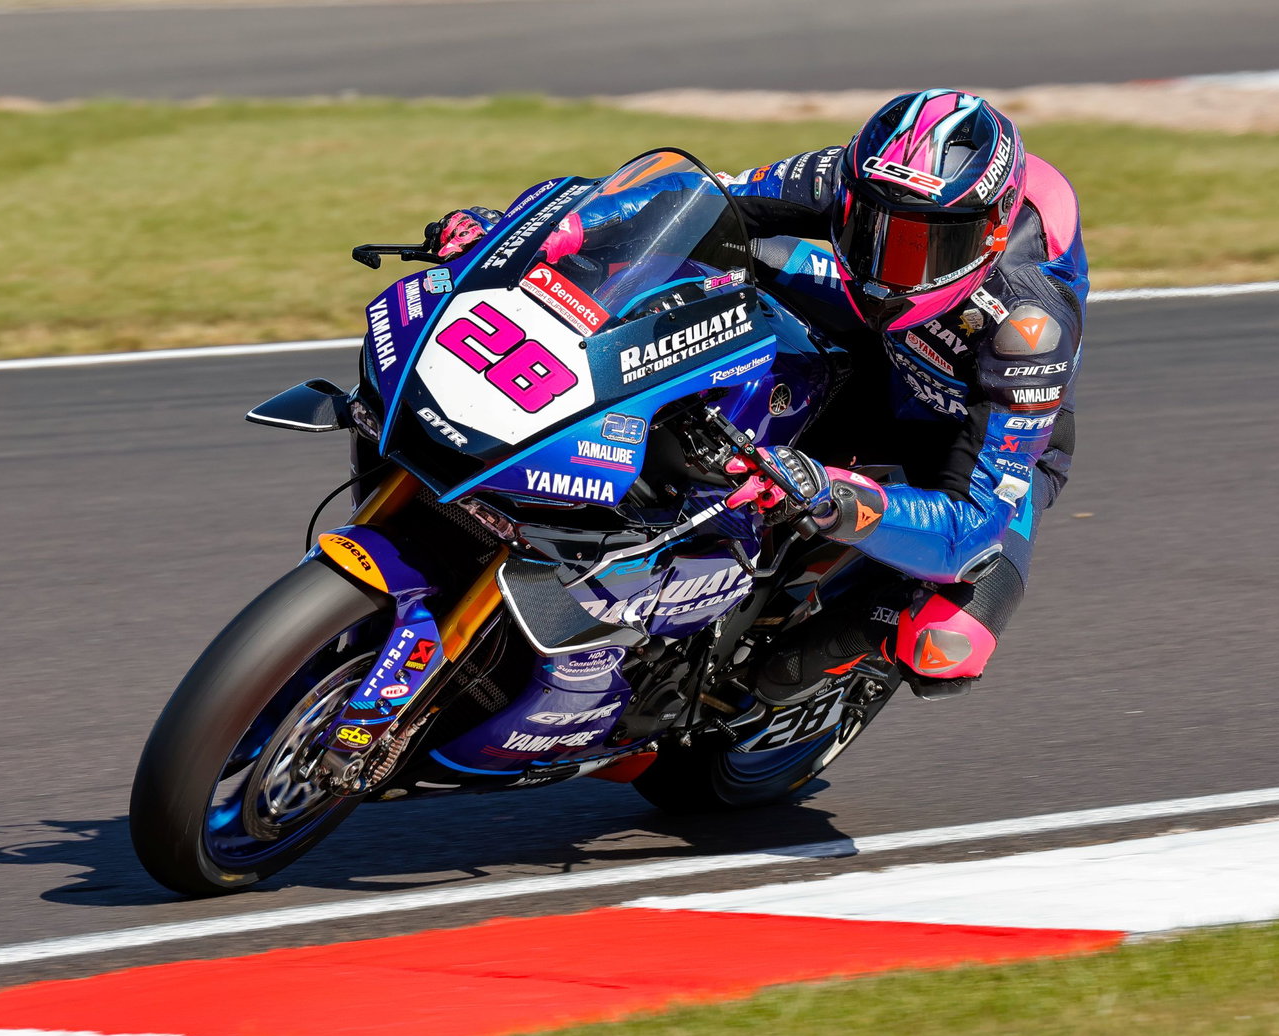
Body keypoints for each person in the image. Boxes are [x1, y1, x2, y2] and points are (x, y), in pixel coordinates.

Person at [424, 90, 1086, 702]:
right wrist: (552, 232)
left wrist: (831, 495)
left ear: (989, 235)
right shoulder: (848, 174)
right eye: (874, 228)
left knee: (945, 643)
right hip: (860, 332)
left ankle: (850, 648)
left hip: (958, 429)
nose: (890, 265)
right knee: (708, 264)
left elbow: (969, 525)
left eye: (923, 246)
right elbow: (696, 198)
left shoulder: (1030, 324)